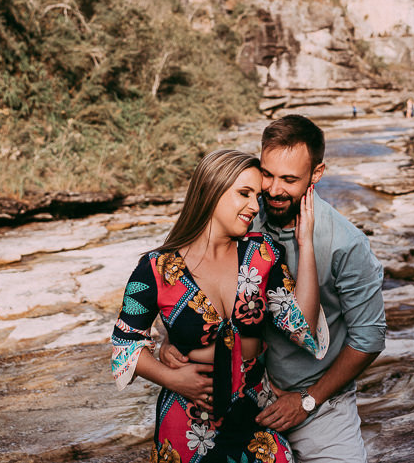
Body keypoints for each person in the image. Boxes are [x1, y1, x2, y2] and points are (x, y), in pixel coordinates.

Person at [163, 116, 387, 462]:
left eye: (289, 179)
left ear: (317, 173)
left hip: (321, 408)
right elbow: (194, 285)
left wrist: (308, 400)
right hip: (245, 398)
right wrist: (173, 341)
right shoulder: (243, 218)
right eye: (267, 174)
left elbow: (369, 339)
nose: (273, 189)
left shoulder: (346, 243)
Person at [109, 149, 329, 463]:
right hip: (187, 427)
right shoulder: (157, 269)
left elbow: (303, 328)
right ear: (211, 191)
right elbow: (123, 347)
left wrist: (304, 243)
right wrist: (172, 379)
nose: (255, 206)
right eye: (244, 194)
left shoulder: (263, 254)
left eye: (258, 196)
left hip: (256, 416)